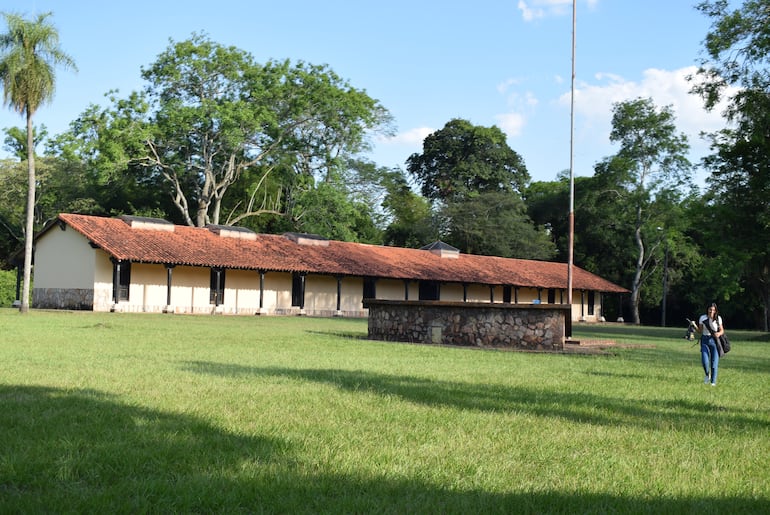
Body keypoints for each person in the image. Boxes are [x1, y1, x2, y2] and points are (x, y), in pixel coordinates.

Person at [692, 302, 724, 386]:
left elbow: (722, 330)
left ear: (716, 310)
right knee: (704, 361)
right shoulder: (703, 318)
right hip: (705, 340)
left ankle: (713, 382)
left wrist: (719, 334)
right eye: (710, 309)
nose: (711, 311)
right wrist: (694, 325)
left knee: (714, 363)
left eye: (713, 310)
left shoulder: (718, 319)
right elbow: (700, 331)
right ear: (707, 309)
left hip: (715, 341)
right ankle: (707, 375)